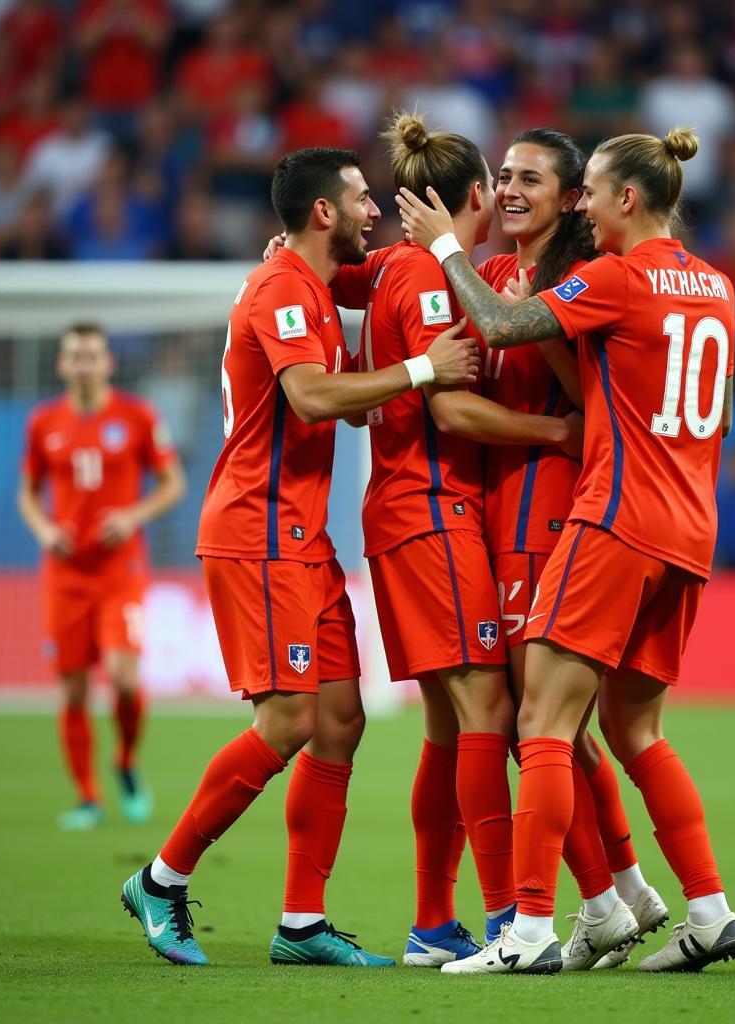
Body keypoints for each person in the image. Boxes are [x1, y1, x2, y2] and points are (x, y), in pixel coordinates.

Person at [119, 146, 479, 968]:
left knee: (341, 721)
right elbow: (314, 397)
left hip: (302, 537)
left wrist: (436, 263)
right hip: (257, 531)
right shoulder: (285, 288)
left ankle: (302, 923)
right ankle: (162, 878)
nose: (371, 212)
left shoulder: (313, 286)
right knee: (287, 720)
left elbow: (345, 392)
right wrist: (424, 367)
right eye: (359, 200)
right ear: (323, 212)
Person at [397, 125, 735, 975]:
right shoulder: (717, 287)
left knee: (541, 724)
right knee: (636, 729)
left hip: (616, 518)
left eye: (588, 189)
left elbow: (500, 322)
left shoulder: (617, 277)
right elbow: (722, 412)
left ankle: (527, 933)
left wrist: (445, 246)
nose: (582, 205)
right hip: (691, 530)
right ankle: (707, 912)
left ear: (628, 199)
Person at [325, 113, 586, 968]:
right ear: (477, 193)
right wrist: (555, 435)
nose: (508, 195)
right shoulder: (434, 281)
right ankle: (513, 919)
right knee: (489, 712)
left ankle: (435, 921)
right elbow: (448, 404)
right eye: (500, 182)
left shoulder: (406, 267)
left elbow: (356, 275)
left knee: (448, 724)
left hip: (411, 510)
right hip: (431, 509)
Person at [479, 127, 667, 971]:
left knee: (540, 724)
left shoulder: (577, 281)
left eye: (533, 179)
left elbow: (594, 409)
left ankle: (562, 913)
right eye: (502, 175)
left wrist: (551, 425)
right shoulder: (503, 273)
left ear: (573, 200)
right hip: (520, 512)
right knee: (565, 727)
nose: (511, 188)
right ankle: (625, 891)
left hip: (557, 514)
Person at [18, 322, 185, 831]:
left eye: (92, 355)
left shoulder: (137, 416)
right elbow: (27, 492)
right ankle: (87, 797)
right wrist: (45, 529)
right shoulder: (43, 422)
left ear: (108, 363)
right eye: (75, 356)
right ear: (62, 365)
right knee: (71, 691)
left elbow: (173, 483)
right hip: (65, 574)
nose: (84, 364)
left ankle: (126, 761)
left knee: (123, 679)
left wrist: (133, 516)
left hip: (121, 570)